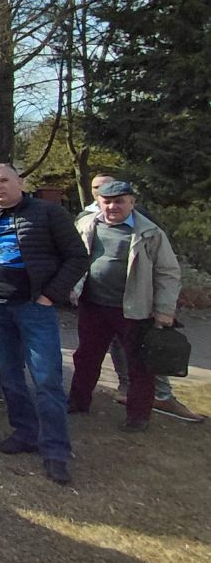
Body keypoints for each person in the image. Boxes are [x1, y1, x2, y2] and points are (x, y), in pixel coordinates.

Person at [0, 163, 88, 485]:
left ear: (20, 182)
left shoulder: (48, 213)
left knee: (47, 379)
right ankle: (25, 433)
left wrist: (50, 295)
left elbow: (77, 257)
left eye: (4, 180)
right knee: (10, 376)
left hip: (34, 307)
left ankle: (55, 451)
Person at [67, 180, 180, 431]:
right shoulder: (85, 224)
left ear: (131, 203)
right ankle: (77, 401)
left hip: (134, 309)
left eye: (119, 201)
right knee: (86, 357)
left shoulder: (150, 232)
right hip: (93, 305)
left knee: (139, 364)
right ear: (99, 202)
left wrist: (164, 310)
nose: (112, 207)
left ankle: (138, 416)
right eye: (107, 201)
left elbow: (168, 272)